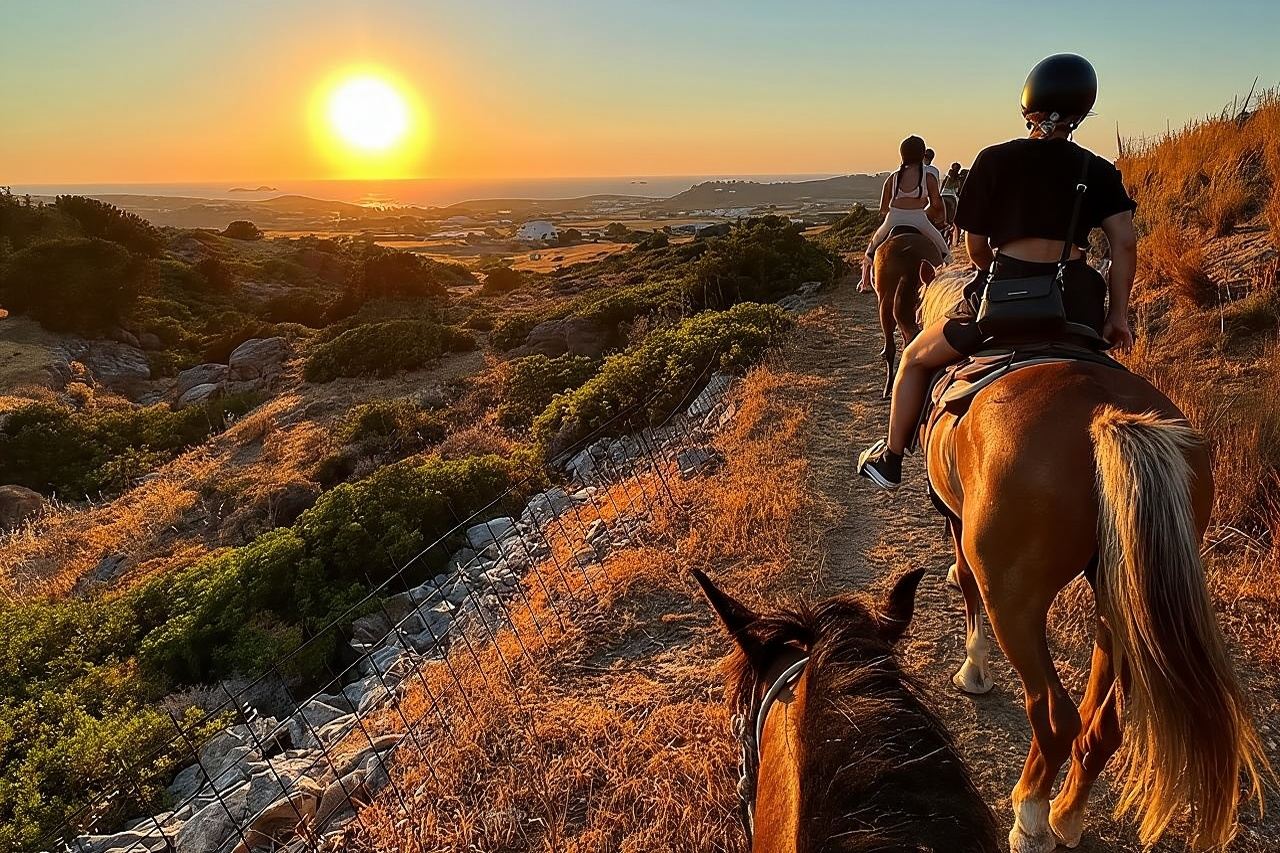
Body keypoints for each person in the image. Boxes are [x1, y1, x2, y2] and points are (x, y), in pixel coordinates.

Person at [857, 53, 1138, 489]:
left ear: (1029, 106)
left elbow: (974, 247)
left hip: (1004, 302)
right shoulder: (1097, 170)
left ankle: (891, 460)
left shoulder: (994, 160)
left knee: (913, 359)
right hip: (1076, 306)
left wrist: (1001, 273)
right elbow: (1125, 243)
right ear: (1082, 113)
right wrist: (1117, 316)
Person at [858, 136, 953, 292]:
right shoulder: (928, 177)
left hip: (893, 218)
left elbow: (883, 208)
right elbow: (936, 204)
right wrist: (938, 216)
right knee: (945, 252)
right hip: (919, 219)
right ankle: (947, 282)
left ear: (902, 154)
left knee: (871, 250)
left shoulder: (893, 178)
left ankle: (866, 282)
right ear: (922, 154)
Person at [941, 162, 965, 245]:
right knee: (953, 221)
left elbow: (941, 188)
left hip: (943, 197)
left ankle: (943, 238)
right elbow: (958, 191)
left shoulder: (947, 177)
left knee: (943, 219)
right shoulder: (959, 179)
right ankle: (953, 241)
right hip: (952, 198)